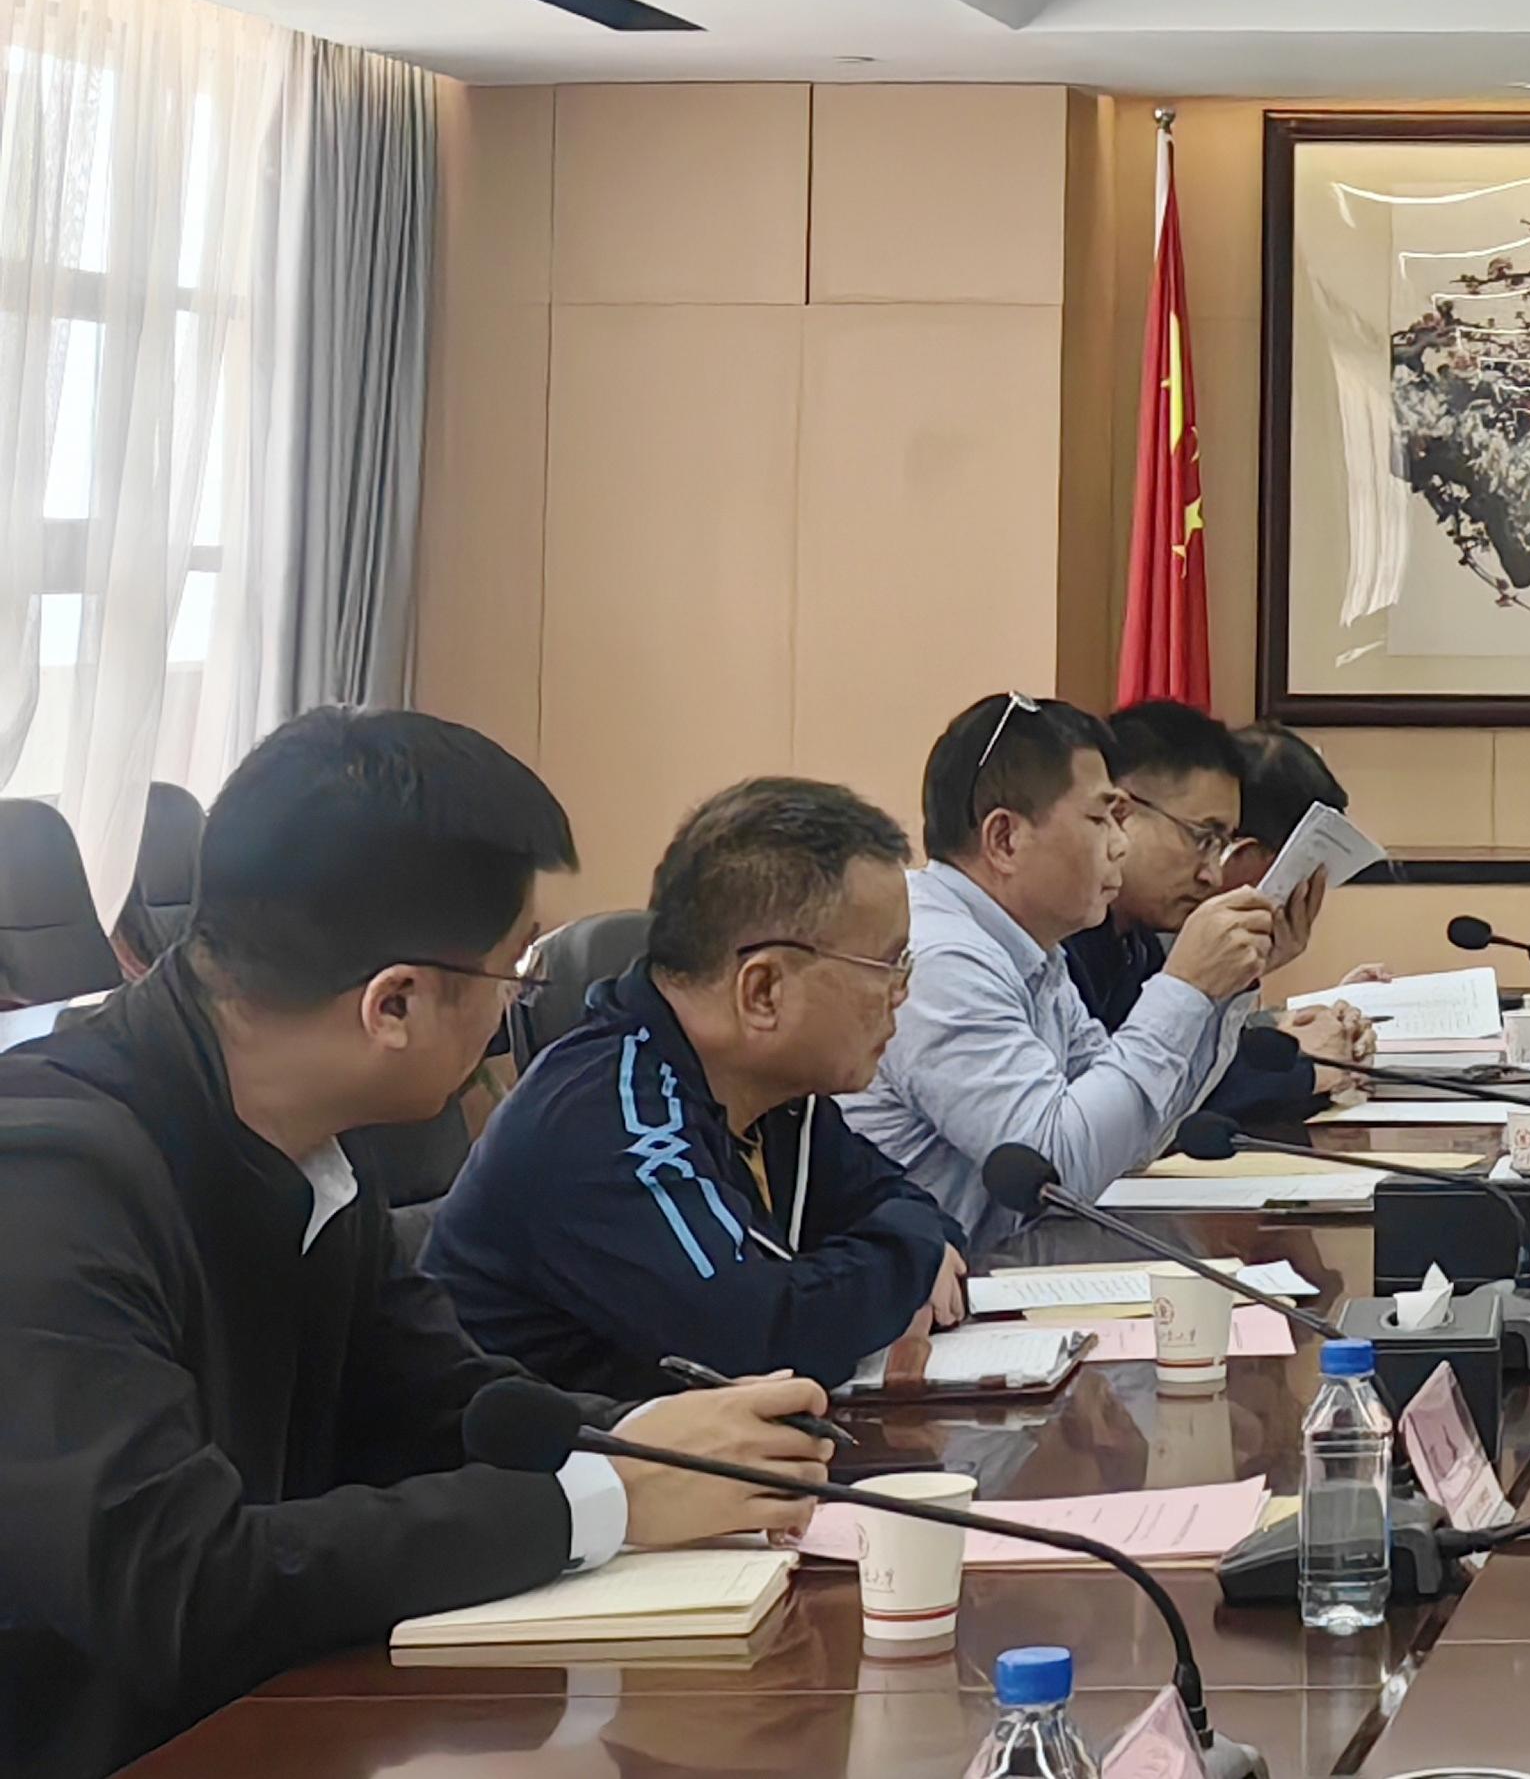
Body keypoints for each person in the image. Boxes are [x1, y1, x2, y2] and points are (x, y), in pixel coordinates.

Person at [0, 710, 829, 1779]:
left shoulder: (309, 1138)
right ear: (392, 1004)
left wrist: (652, 1443)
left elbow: (437, 1402)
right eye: (513, 972)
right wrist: (602, 1501)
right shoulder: (45, 1179)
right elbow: (182, 1581)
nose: (513, 1014)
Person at [423, 778, 970, 1399]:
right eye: (887, 966)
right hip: (534, 1459)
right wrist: (914, 1259)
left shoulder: (775, 1096)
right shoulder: (610, 1121)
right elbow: (758, 1339)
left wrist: (905, 1252)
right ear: (762, 991)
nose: (901, 993)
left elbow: (908, 1207)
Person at [845, 694, 1273, 1248]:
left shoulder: (1032, 949)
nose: (1119, 846)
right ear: (1005, 839)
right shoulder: (940, 959)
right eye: (1101, 819)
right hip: (926, 1295)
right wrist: (1183, 988)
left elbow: (1132, 1141)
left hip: (999, 1275)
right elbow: (1055, 1167)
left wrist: (1217, 993)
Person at [1063, 702, 1365, 1128]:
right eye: (1203, 837)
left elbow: (1183, 1089)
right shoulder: (1057, 939)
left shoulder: (1135, 943)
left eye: (1221, 845)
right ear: (1120, 813)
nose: (1213, 874)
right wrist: (1306, 1070)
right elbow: (1121, 1115)